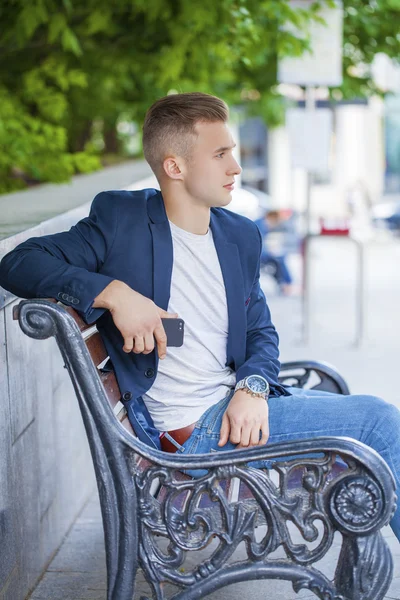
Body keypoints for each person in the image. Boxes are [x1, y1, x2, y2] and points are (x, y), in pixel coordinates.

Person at [1, 92, 400, 539]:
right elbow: (18, 263)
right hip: (193, 435)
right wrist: (114, 294)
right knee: (379, 422)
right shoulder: (122, 221)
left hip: (235, 406)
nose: (236, 167)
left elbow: (260, 333)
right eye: (220, 154)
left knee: (382, 431)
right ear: (175, 167)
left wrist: (251, 387)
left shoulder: (239, 235)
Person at [254, 210, 294, 294]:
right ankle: (287, 283)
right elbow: (259, 245)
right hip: (257, 255)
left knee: (279, 259)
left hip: (258, 253)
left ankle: (285, 283)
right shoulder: (259, 225)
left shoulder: (260, 224)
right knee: (279, 259)